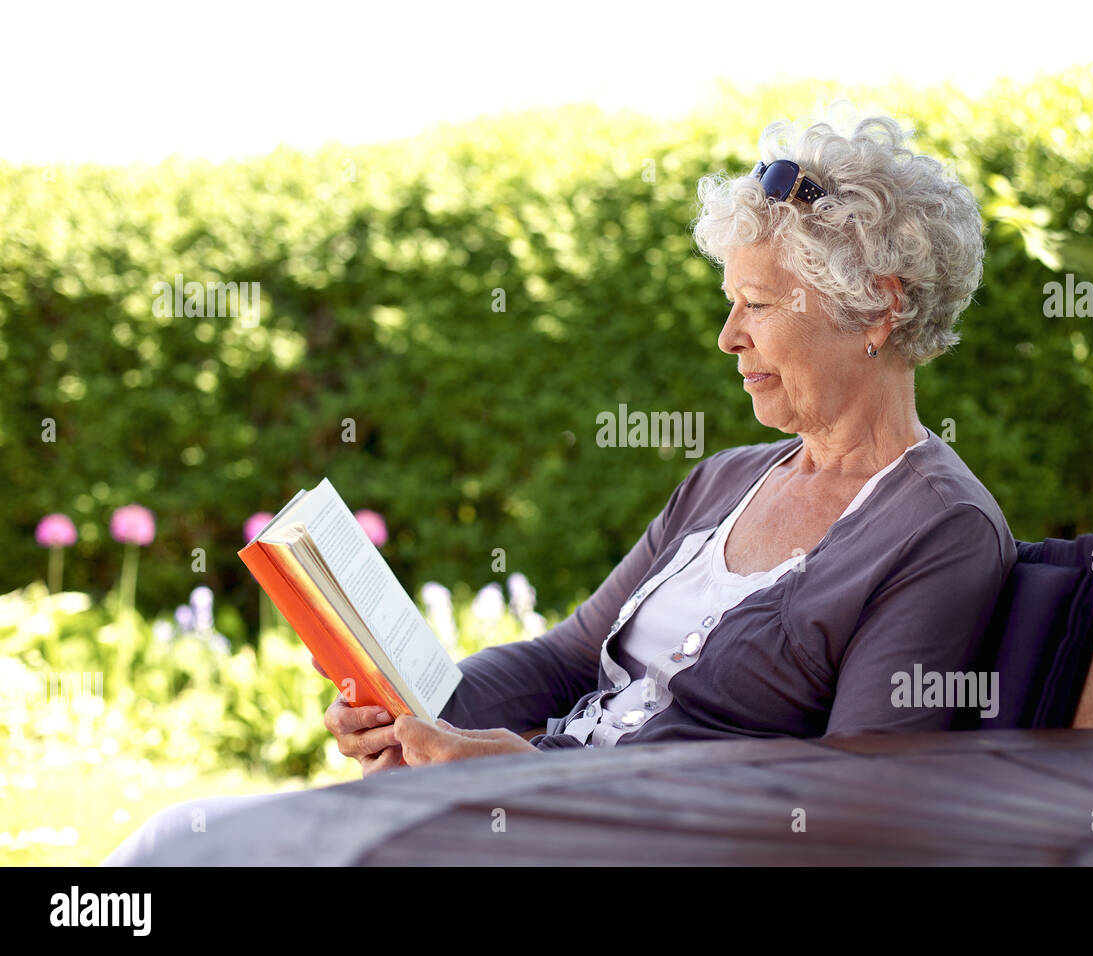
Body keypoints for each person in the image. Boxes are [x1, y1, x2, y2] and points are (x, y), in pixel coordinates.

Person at [103, 108, 1015, 864]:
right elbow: (569, 659)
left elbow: (854, 810)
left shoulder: (938, 529)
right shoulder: (728, 481)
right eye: (729, 301)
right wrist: (418, 712)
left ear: (880, 308)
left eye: (762, 305)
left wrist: (536, 774)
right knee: (171, 849)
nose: (727, 337)